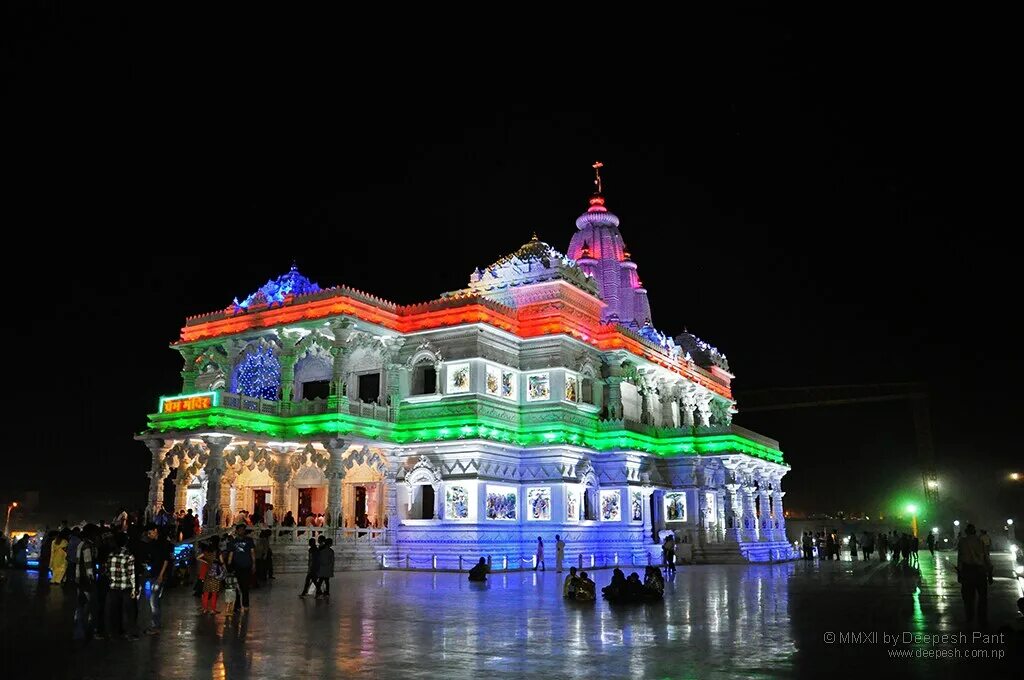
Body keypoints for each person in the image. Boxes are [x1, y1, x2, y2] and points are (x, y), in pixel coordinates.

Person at [104, 533, 138, 640]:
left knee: (114, 610)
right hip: (126, 587)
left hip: (113, 587)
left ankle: (114, 632)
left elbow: (106, 571)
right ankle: (130, 633)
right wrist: (134, 588)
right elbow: (131, 574)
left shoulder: (110, 555)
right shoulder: (129, 555)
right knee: (129, 611)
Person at [957, 524, 992, 626]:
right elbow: (986, 557)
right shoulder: (980, 541)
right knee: (982, 597)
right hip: (980, 571)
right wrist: (990, 573)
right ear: (975, 532)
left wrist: (959, 573)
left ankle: (969, 617)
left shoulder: (962, 542)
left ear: (966, 532)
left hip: (967, 571)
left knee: (968, 597)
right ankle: (982, 618)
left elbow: (960, 558)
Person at [143, 523, 173, 635]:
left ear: (155, 530)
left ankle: (155, 626)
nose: (149, 535)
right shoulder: (152, 544)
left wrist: (161, 575)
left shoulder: (163, 543)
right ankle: (156, 623)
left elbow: (166, 560)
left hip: (158, 575)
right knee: (156, 600)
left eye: (150, 533)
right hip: (153, 573)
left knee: (153, 600)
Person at [227, 524, 256, 611]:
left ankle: (245, 604)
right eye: (239, 530)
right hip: (236, 566)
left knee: (245, 586)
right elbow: (231, 554)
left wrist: (254, 564)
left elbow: (252, 553)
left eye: (242, 530)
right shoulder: (232, 542)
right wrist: (228, 566)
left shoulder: (249, 540)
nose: (241, 531)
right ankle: (237, 605)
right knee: (236, 586)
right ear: (237, 531)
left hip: (247, 565)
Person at [198, 543, 223, 615]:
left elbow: (198, 557)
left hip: (208, 575)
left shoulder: (206, 553)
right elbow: (222, 562)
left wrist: (205, 561)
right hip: (215, 575)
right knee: (214, 593)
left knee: (206, 592)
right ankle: (213, 609)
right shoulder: (218, 552)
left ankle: (205, 609)